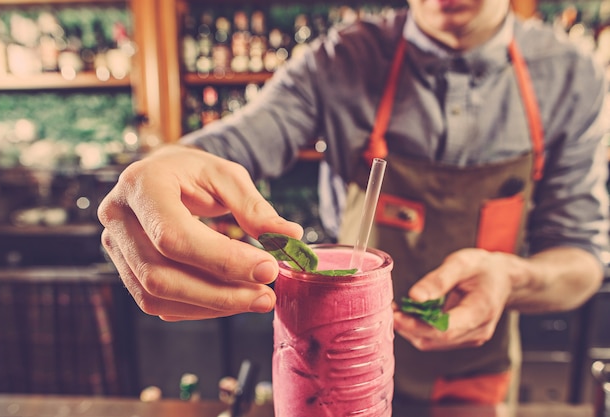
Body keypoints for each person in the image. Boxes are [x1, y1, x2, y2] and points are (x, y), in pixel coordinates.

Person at [98, 0, 609, 406]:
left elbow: (582, 260)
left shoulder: (571, 76)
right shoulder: (338, 61)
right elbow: (224, 149)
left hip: (471, 376)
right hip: (326, 368)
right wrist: (156, 174)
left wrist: (512, 278)